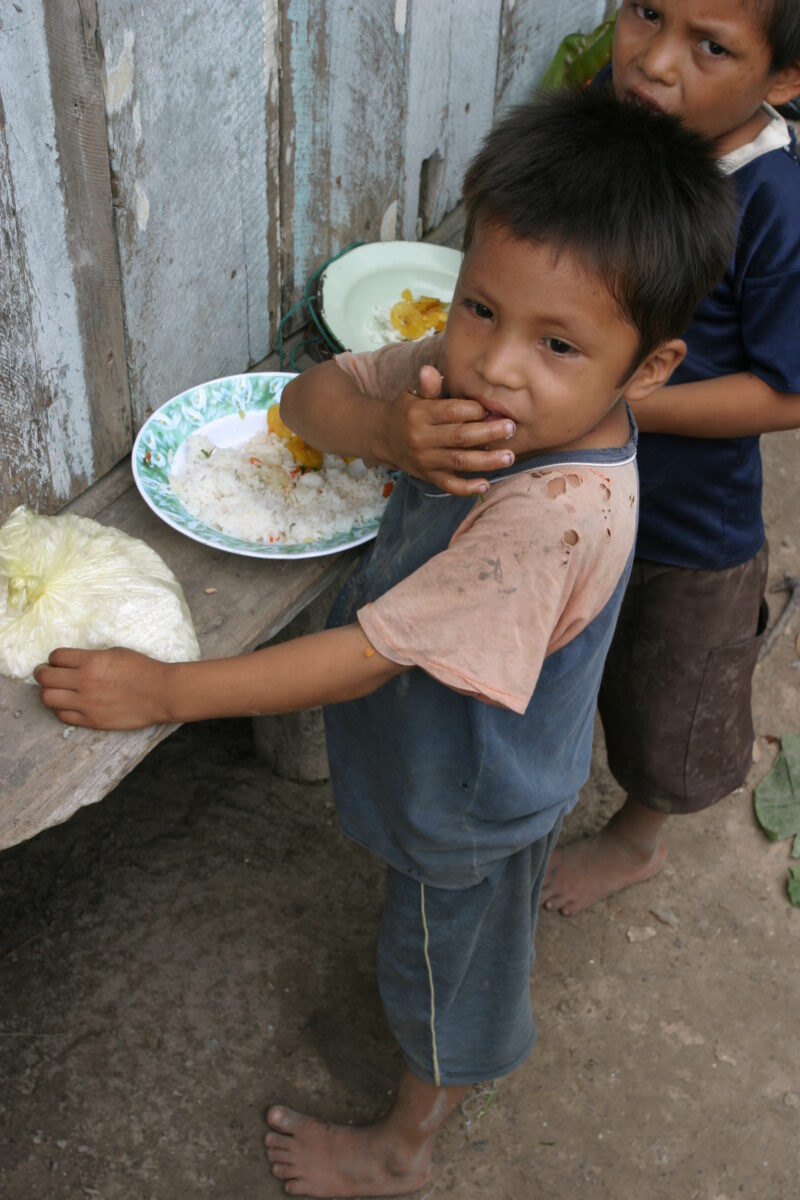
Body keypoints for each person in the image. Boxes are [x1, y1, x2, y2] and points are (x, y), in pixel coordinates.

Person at [34, 88, 735, 1198]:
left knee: (448, 971)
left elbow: (368, 651)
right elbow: (312, 404)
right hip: (426, 753)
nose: (495, 366)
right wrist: (388, 424)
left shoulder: (556, 514)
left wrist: (168, 690)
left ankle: (402, 1146)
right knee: (432, 929)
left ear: (646, 368)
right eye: (477, 310)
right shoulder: (458, 381)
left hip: (472, 797)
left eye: (557, 343)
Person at [540, 0, 800, 914]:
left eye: (711, 47)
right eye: (647, 13)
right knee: (566, 656)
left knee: (670, 697)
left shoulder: (770, 202)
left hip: (686, 526)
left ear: (783, 81)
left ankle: (635, 838)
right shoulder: (617, 124)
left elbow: (788, 391)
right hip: (567, 486)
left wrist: (629, 402)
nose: (654, 61)